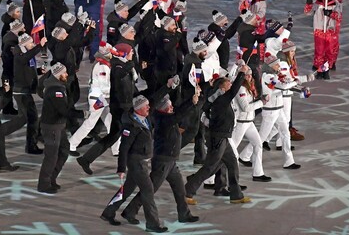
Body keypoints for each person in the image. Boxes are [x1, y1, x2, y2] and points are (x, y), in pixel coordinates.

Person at [121, 85, 200, 225]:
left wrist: (195, 99)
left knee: (180, 189)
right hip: (163, 161)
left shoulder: (167, 116)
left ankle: (184, 214)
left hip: (171, 162)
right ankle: (130, 211)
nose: (172, 108)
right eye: (169, 107)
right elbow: (179, 115)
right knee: (150, 190)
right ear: (163, 109)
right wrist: (191, 102)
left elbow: (179, 111)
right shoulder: (164, 119)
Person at [100, 95, 169, 233]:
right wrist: (121, 168)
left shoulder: (145, 119)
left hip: (142, 161)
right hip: (136, 162)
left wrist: (168, 87)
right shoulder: (130, 126)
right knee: (148, 191)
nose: (149, 107)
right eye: (146, 105)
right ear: (138, 109)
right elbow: (123, 148)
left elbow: (155, 102)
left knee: (127, 190)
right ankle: (152, 224)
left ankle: (109, 212)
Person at [185, 65, 251, 204]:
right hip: (218, 138)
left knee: (232, 164)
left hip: (222, 138)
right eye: (227, 84)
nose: (230, 85)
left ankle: (236, 195)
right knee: (210, 167)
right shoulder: (222, 100)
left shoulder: (217, 99)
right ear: (222, 89)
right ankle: (188, 190)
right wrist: (242, 73)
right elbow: (234, 89)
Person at [77, 43, 135, 175]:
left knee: (113, 136)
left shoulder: (121, 65)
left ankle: (86, 159)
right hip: (121, 108)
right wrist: (130, 63)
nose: (133, 54)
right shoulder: (117, 66)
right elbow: (121, 73)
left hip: (124, 106)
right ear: (123, 54)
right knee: (128, 136)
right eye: (130, 52)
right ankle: (127, 165)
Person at [240, 53, 301, 170]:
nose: (279, 65)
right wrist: (295, 82)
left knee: (285, 133)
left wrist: (299, 87)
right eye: (276, 64)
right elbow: (282, 86)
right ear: (271, 66)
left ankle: (289, 161)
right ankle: (244, 156)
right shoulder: (268, 77)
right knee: (261, 137)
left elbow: (286, 85)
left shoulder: (276, 75)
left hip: (279, 109)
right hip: (270, 111)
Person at [69, 43, 119, 157]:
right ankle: (71, 144)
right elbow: (104, 86)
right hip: (99, 99)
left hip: (103, 98)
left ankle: (116, 149)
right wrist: (116, 89)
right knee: (90, 123)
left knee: (111, 123)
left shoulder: (105, 64)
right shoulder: (102, 67)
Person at [4, 33, 46, 154]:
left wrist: (38, 71)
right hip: (21, 92)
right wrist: (39, 46)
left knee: (23, 118)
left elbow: (26, 71)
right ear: (24, 44)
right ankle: (31, 146)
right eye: (31, 43)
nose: (32, 45)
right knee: (32, 118)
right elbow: (24, 59)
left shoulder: (25, 56)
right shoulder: (19, 55)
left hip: (24, 91)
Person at [230, 64, 270, 182]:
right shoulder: (241, 89)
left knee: (258, 144)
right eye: (247, 75)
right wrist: (261, 103)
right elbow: (246, 107)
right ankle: (213, 178)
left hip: (249, 122)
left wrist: (260, 99)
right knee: (230, 152)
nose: (250, 77)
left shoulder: (248, 87)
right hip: (241, 123)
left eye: (250, 75)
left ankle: (258, 173)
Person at [37, 63, 70, 194]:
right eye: (64, 73)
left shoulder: (58, 86)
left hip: (58, 126)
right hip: (52, 127)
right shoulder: (56, 91)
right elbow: (63, 110)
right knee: (51, 156)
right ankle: (44, 184)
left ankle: (51, 178)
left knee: (64, 150)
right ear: (58, 74)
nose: (67, 74)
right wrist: (81, 114)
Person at [304, 0, 340, 79]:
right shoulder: (317, 3)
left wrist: (330, 13)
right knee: (319, 52)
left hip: (329, 31)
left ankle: (326, 70)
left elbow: (339, 17)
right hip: (319, 30)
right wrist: (308, 2)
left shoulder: (334, 3)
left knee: (329, 52)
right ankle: (319, 71)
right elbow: (307, 12)